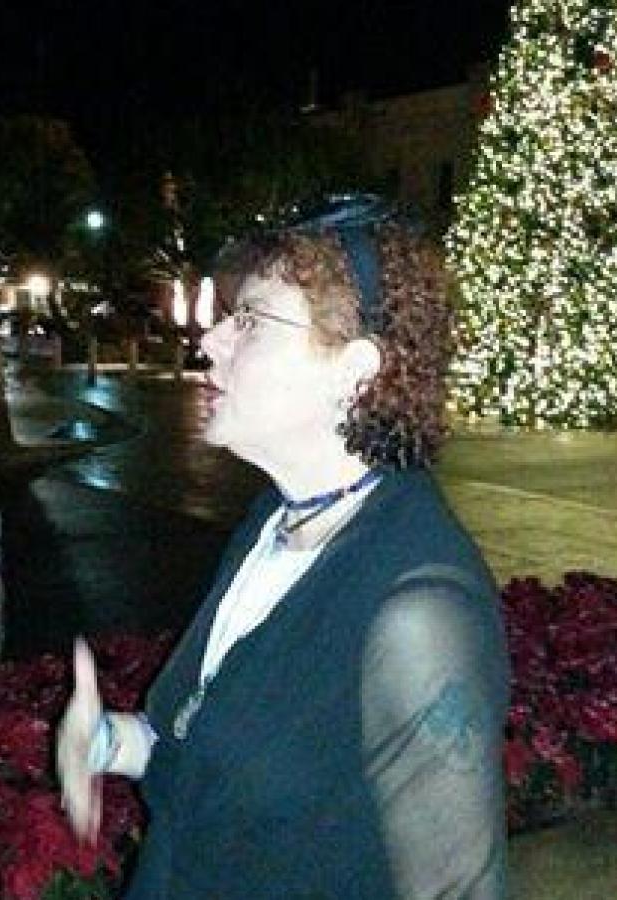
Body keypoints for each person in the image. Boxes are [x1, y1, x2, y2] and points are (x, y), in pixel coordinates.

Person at [57, 194, 510, 898]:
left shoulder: (418, 611)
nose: (210, 340)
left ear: (354, 370)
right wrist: (108, 742)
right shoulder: (276, 523)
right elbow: (214, 751)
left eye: (251, 320)